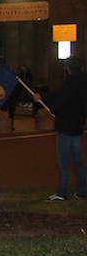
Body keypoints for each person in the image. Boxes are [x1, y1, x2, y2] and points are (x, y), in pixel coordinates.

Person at [36, 57, 87, 201]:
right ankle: (83, 190)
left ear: (68, 69)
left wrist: (43, 99)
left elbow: (59, 101)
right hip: (78, 125)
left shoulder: (69, 83)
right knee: (78, 160)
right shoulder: (84, 82)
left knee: (64, 161)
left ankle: (62, 192)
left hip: (65, 126)